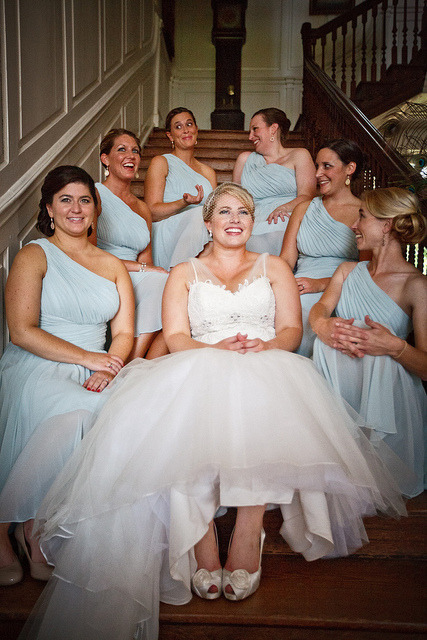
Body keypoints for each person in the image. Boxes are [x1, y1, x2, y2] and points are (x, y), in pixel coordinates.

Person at [20, 183, 404, 640]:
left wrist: (265, 346)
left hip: (264, 359)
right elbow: (178, 338)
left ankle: (248, 529)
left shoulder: (275, 267)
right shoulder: (183, 272)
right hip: (200, 357)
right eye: (223, 211)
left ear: (252, 220)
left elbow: (290, 330)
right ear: (208, 223)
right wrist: (213, 348)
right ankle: (200, 534)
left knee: (260, 399)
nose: (234, 218)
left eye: (243, 210)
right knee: (184, 417)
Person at [0, 166, 134, 587]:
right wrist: (87, 358)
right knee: (81, 411)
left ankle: (36, 528)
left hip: (99, 366)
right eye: (66, 200)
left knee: (124, 411)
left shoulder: (113, 265)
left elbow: (125, 332)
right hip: (39, 362)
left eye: (85, 200)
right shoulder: (33, 255)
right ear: (49, 209)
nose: (76, 208)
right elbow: (21, 331)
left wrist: (109, 366)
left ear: (96, 210)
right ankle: (17, 524)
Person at [310, 187, 427, 497]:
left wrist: (394, 346)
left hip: (387, 403)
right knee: (323, 342)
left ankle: (378, 460)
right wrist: (322, 324)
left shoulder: (416, 285)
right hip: (341, 393)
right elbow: (320, 308)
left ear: (386, 225)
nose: (354, 225)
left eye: (362, 216)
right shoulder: (347, 271)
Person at [280, 139, 365, 357]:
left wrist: (320, 285)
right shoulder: (303, 209)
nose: (318, 173)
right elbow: (286, 262)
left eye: (326, 166)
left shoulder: (365, 212)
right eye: (317, 166)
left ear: (350, 168)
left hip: (346, 287)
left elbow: (367, 269)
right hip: (301, 285)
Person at [97, 128, 169, 360]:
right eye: (122, 150)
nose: (131, 156)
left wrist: (146, 269)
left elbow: (145, 259)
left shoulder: (142, 208)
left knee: (176, 290)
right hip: (104, 271)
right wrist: (144, 269)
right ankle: (128, 362)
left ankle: (139, 365)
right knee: (164, 281)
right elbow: (88, 254)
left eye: (135, 151)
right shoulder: (94, 195)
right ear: (105, 159)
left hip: (137, 275)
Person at [233, 107, 316, 254]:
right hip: (252, 218)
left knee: (279, 228)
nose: (250, 137)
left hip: (284, 216)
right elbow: (234, 198)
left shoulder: (299, 155)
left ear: (273, 128)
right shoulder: (244, 159)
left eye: (255, 129)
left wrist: (284, 208)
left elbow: (307, 196)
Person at [144, 107, 217, 269]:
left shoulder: (208, 172)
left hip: (203, 232)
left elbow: (214, 212)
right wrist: (184, 203)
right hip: (168, 232)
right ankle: (176, 276)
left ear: (196, 129)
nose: (185, 130)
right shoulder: (161, 162)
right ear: (170, 135)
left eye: (189, 124)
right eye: (178, 127)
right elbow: (152, 212)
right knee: (199, 214)